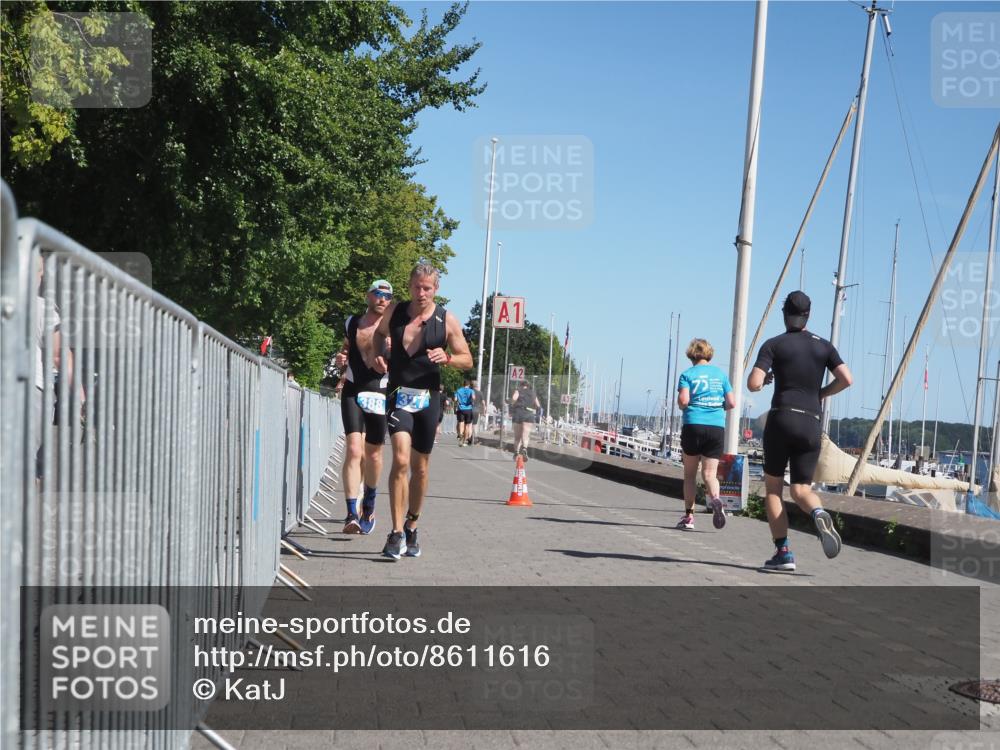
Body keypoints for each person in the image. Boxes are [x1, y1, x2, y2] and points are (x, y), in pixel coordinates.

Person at [748, 291, 853, 572]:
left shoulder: (774, 345)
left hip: (782, 418)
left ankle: (783, 553)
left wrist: (766, 377)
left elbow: (753, 384)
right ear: (808, 315)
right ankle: (817, 511)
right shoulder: (824, 347)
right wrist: (820, 394)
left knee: (773, 489)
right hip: (810, 421)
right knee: (801, 489)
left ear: (784, 314)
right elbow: (846, 379)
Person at [373, 264, 473, 560]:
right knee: (400, 459)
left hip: (429, 398)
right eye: (416, 287)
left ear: (436, 289)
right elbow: (377, 334)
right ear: (409, 286)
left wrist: (449, 358)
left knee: (421, 467)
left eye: (427, 288)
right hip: (398, 394)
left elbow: (467, 359)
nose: (421, 293)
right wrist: (378, 354)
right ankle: (395, 533)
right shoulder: (395, 311)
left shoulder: (446, 320)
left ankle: (412, 524)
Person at [334, 279, 393, 535]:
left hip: (379, 391)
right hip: (353, 388)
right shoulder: (352, 323)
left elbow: (403, 359)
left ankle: (368, 502)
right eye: (378, 294)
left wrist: (390, 361)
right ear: (368, 296)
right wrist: (340, 358)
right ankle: (350, 513)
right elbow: (346, 349)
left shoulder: (394, 328)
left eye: (388, 296)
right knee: (354, 449)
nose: (383, 299)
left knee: (373, 454)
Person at [675, 338, 735, 531]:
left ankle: (689, 518)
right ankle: (716, 500)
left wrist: (681, 403)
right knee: (710, 474)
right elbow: (732, 403)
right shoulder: (721, 375)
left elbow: (684, 400)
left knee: (690, 475)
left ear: (691, 355)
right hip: (716, 426)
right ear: (709, 354)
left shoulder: (687, 374)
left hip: (693, 424)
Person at [510, 380, 541, 459]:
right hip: (529, 414)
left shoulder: (518, 390)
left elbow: (514, 398)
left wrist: (512, 405)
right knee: (526, 435)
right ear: (528, 386)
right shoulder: (533, 392)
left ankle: (516, 453)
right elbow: (538, 405)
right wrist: (538, 413)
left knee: (517, 437)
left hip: (519, 413)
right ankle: (524, 449)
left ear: (521, 385)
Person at [454, 378, 476, 446]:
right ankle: (464, 441)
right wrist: (471, 399)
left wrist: (458, 401)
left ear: (463, 384)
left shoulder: (458, 390)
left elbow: (455, 399)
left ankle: (460, 435)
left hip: (460, 409)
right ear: (469, 385)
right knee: (467, 425)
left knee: (461, 423)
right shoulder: (471, 390)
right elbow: (473, 398)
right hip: (468, 409)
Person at [469, 378, 485, 445]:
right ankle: (474, 438)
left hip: (470, 409)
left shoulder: (470, 391)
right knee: (474, 425)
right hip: (477, 410)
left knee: (469, 424)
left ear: (472, 385)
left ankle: (469, 438)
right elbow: (483, 403)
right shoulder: (480, 393)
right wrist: (483, 411)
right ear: (477, 385)